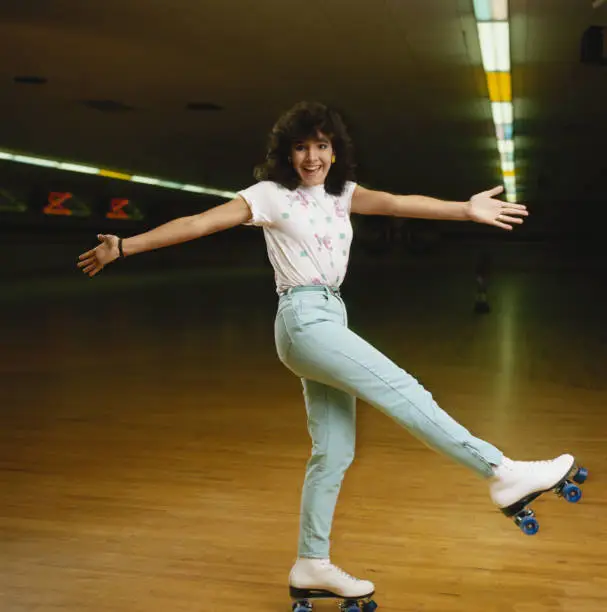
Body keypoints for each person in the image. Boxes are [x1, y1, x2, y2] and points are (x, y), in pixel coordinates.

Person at [77, 101, 578, 604]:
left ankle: (311, 563)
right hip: (303, 320)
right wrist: (124, 247)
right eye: (300, 147)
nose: (311, 156)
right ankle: (501, 473)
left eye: (320, 145)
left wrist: (465, 209)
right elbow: (200, 223)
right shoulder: (269, 196)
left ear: (334, 152)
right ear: (286, 154)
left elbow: (400, 204)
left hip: (327, 316)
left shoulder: (342, 195)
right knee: (405, 391)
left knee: (333, 451)